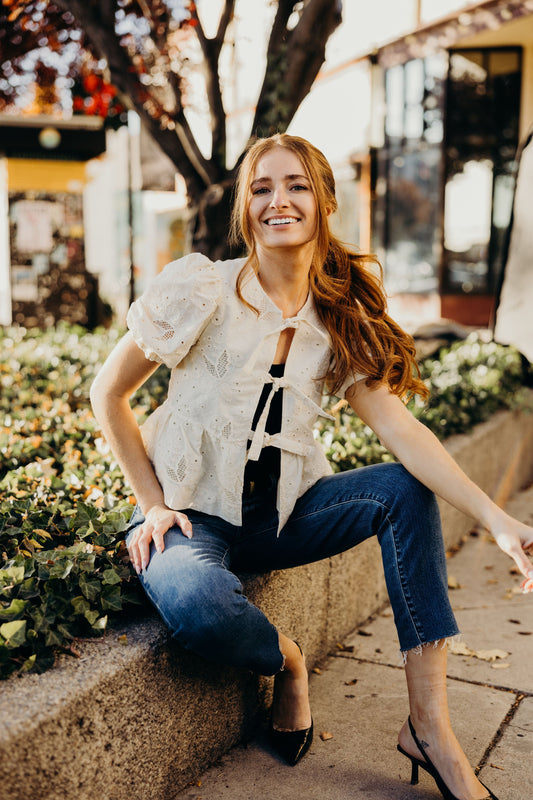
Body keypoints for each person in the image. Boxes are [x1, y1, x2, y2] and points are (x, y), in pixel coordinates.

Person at [90, 133, 533, 800]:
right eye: (261, 187)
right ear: (246, 206)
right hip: (186, 516)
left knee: (402, 491)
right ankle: (287, 659)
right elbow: (108, 394)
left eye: (295, 185)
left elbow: (399, 430)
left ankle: (429, 727)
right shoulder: (202, 287)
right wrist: (152, 503)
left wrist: (497, 520)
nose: (278, 201)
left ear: (324, 201)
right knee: (198, 603)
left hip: (283, 517)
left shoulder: (338, 316)